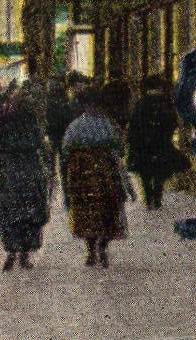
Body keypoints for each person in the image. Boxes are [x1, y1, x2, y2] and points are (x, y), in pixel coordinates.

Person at [0, 81, 51, 270]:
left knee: (9, 214)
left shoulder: (6, 120)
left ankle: (11, 253)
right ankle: (25, 255)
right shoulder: (32, 121)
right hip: (30, 171)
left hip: (10, 172)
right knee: (30, 215)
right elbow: (39, 144)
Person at [60, 89, 134, 268]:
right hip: (104, 173)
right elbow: (119, 147)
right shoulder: (107, 124)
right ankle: (102, 246)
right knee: (108, 210)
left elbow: (66, 148)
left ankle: (91, 249)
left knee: (86, 212)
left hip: (81, 173)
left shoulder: (76, 125)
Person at [126, 75, 185, 209]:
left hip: (143, 144)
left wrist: (133, 140)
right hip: (161, 143)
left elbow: (134, 124)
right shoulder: (165, 104)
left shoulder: (141, 103)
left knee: (145, 173)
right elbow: (172, 122)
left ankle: (148, 197)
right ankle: (157, 197)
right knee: (159, 172)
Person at [45, 70, 81, 181]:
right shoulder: (65, 96)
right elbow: (69, 113)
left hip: (53, 131)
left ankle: (51, 178)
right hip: (62, 130)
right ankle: (63, 177)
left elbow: (46, 114)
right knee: (63, 157)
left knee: (52, 157)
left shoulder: (49, 98)